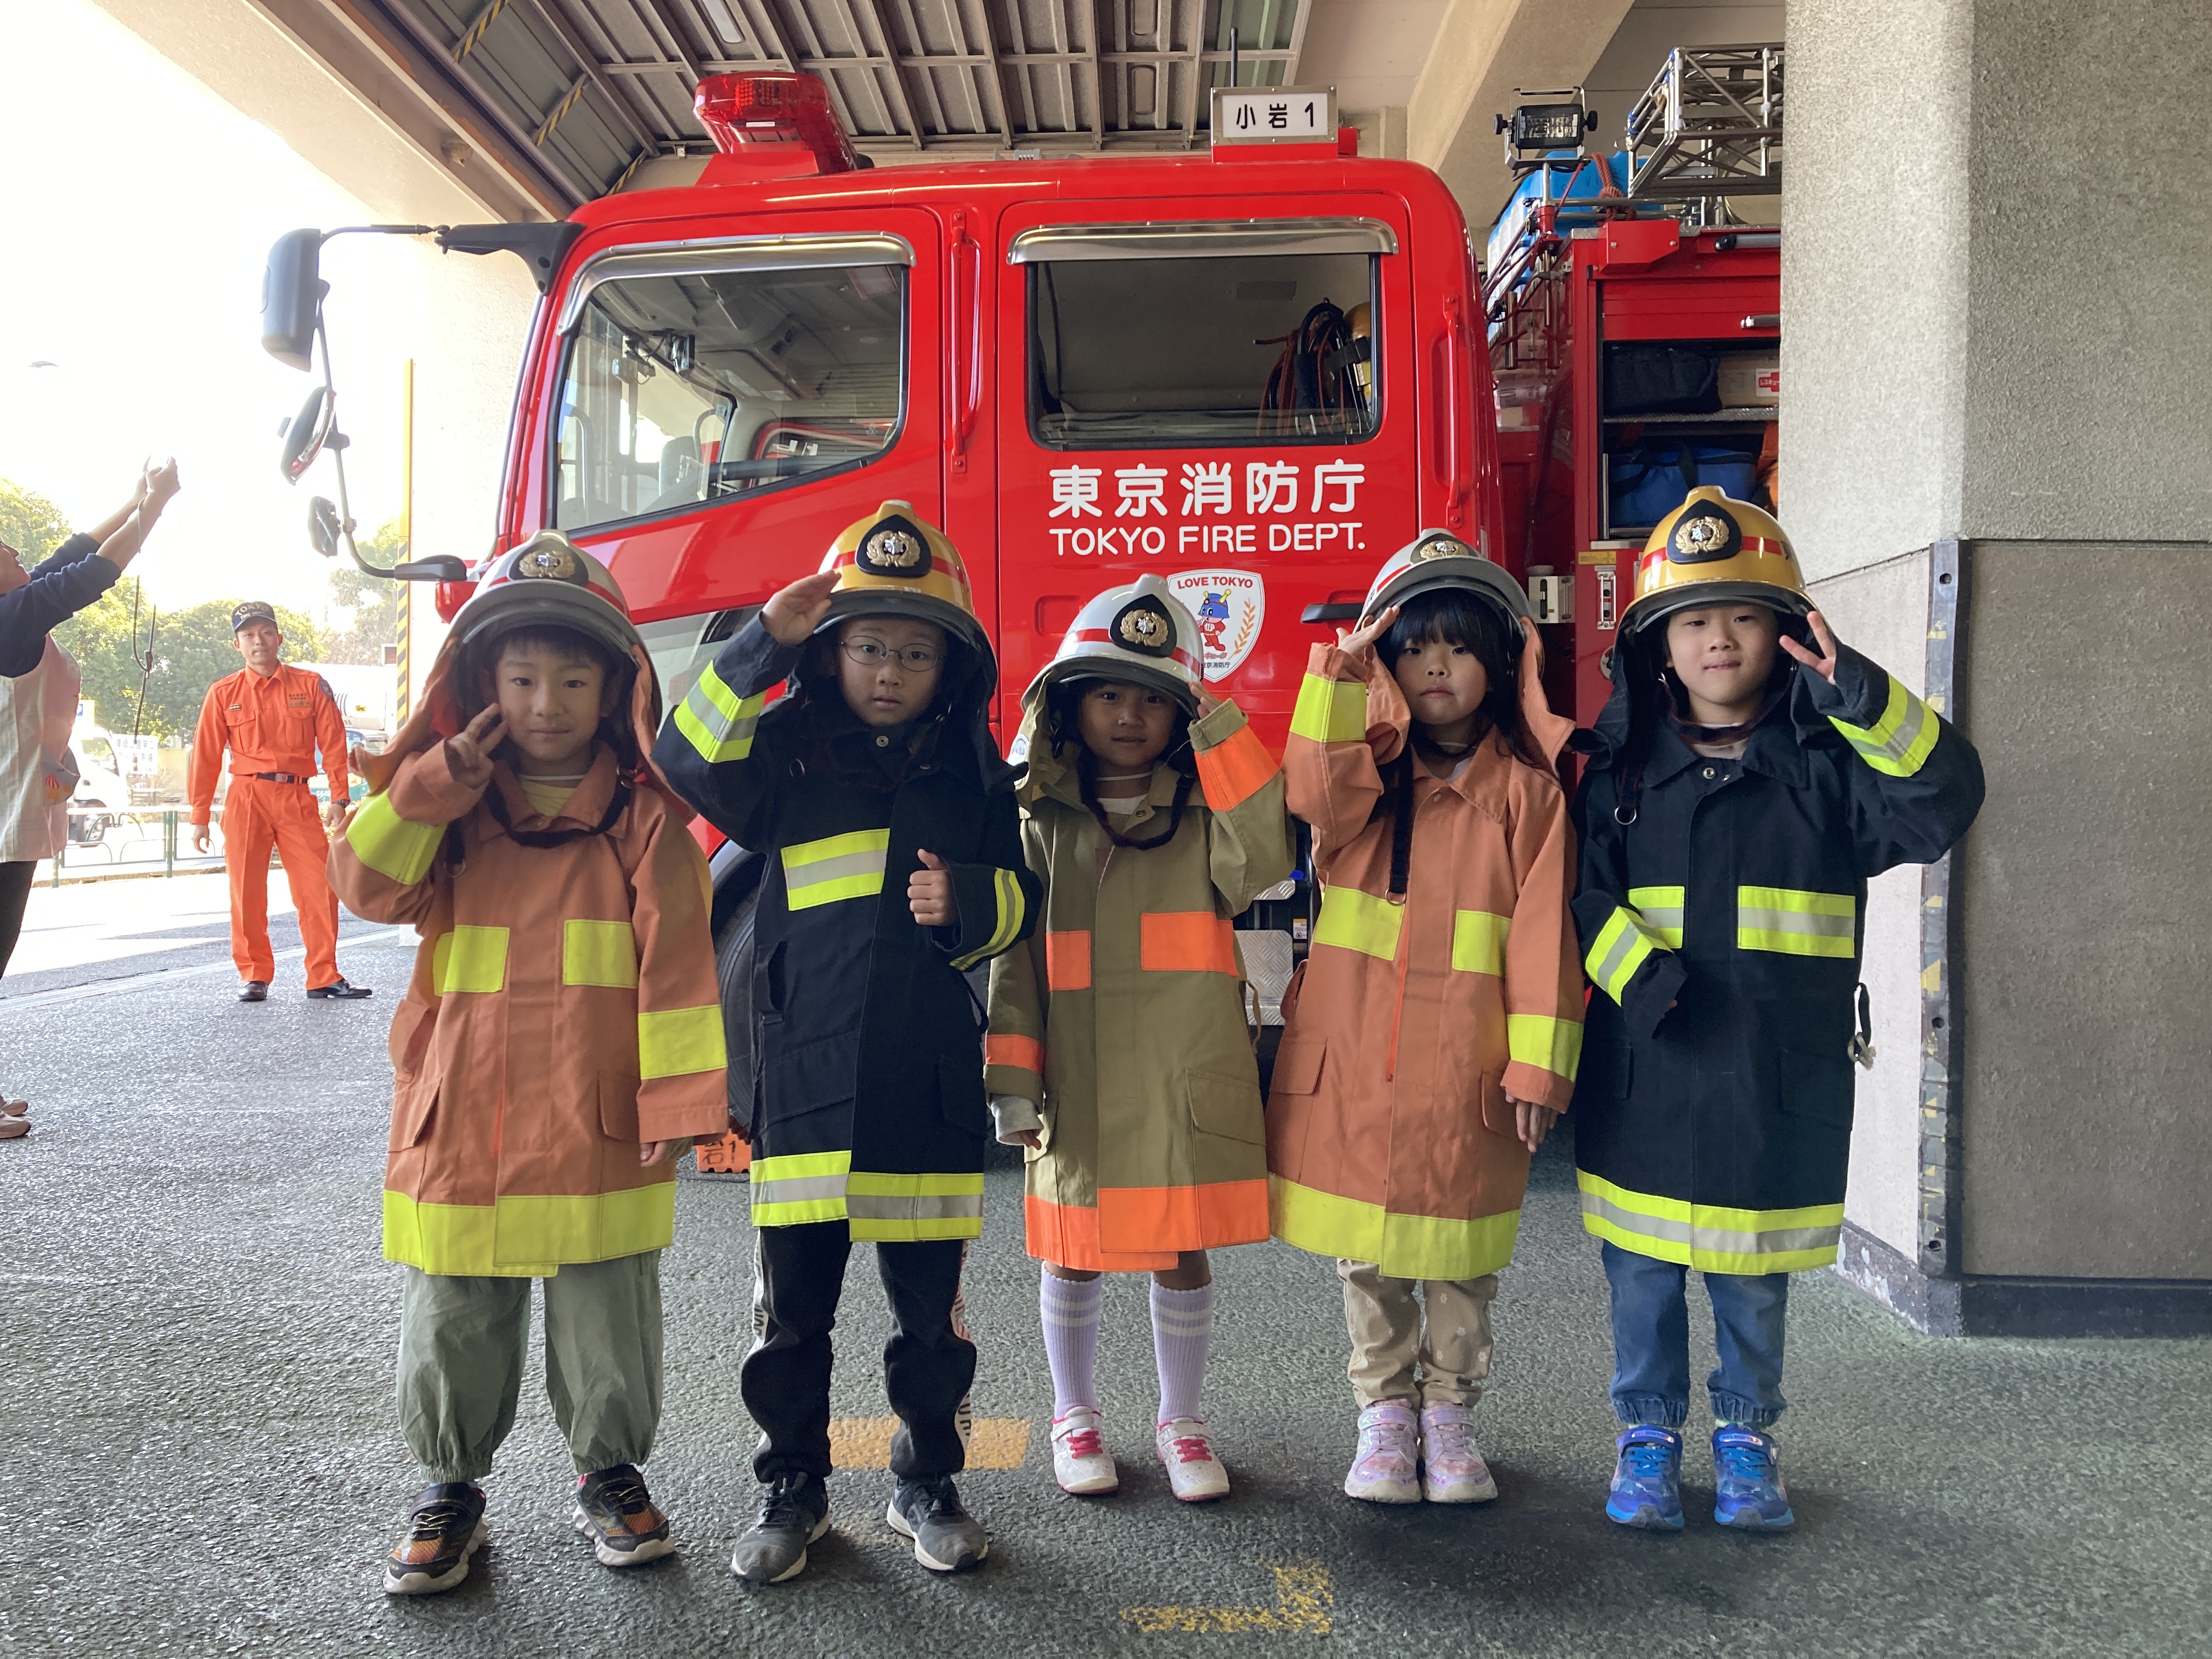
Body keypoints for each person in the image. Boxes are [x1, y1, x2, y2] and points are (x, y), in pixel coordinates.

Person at [1571, 487, 1983, 1532]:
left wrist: (1859, 695)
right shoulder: (1617, 773)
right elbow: (1576, 895)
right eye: (1693, 620)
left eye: (1744, 615)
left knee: (1753, 1280)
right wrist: (1642, 976)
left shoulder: (1830, 767)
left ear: (1786, 631)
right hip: (1650, 1069)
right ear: (1656, 646)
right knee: (1642, 1274)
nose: (1717, 637)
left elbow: (1941, 799)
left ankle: (1748, 1439)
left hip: (1772, 1073)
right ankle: (1646, 1436)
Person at [329, 532, 727, 1595]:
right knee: (455, 1308)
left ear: (614, 692)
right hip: (464, 1112)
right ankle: (449, 1485)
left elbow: (680, 974)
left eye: (573, 679)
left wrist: (680, 1104)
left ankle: (611, 1471)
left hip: (599, 1117)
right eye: (520, 678)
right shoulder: (448, 811)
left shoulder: (646, 823)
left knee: (608, 1310)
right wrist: (429, 787)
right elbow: (363, 888)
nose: (547, 702)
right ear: (482, 688)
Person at [654, 501, 1040, 1584]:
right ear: (830, 652)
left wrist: (970, 901)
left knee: (932, 1325)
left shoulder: (971, 772)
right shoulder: (785, 754)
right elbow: (683, 753)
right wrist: (759, 644)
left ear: (948, 667)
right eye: (868, 646)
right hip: (806, 1078)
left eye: (915, 652)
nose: (888, 671)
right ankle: (793, 1487)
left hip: (925, 1080)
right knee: (793, 1319)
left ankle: (929, 1483)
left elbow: (1025, 899)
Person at [1264, 531, 1583, 1506]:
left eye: (1459, 646)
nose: (1436, 665)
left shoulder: (1526, 796)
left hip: (1466, 1067)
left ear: (1501, 663)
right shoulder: (1364, 783)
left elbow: (1544, 939)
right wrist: (1340, 672)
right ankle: (1384, 1412)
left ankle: (1448, 1412)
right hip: (1360, 1059)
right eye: (1414, 648)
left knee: (1461, 1255)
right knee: (1368, 1255)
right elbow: (1310, 787)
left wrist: (1538, 1067)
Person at [984, 574, 1291, 1503]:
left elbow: (1265, 854)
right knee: (1071, 1246)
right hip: (1074, 1072)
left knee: (1181, 1246)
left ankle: (1180, 1420)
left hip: (1176, 1074)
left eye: (1155, 698)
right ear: (1069, 706)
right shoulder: (1039, 820)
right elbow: (1015, 963)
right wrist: (1012, 1080)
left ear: (1181, 715)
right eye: (1109, 692)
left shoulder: (1205, 816)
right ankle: (1072, 1413)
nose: (1129, 715)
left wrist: (1216, 721)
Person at [0, 459, 180, 1137]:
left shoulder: (13, 611)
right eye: (5, 549)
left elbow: (74, 554)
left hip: (18, 808)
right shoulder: (8, 619)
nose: (18, 552)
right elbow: (91, 573)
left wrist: (134, 500)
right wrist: (154, 509)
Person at [189, 601, 370, 1001]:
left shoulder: (310, 685)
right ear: (237, 644)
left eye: (266, 632)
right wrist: (199, 814)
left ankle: (323, 975)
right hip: (246, 797)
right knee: (246, 890)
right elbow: (206, 755)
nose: (259, 641)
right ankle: (254, 975)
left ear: (279, 638)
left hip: (296, 796)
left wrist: (339, 797)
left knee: (320, 885)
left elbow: (334, 742)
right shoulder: (223, 693)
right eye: (249, 635)